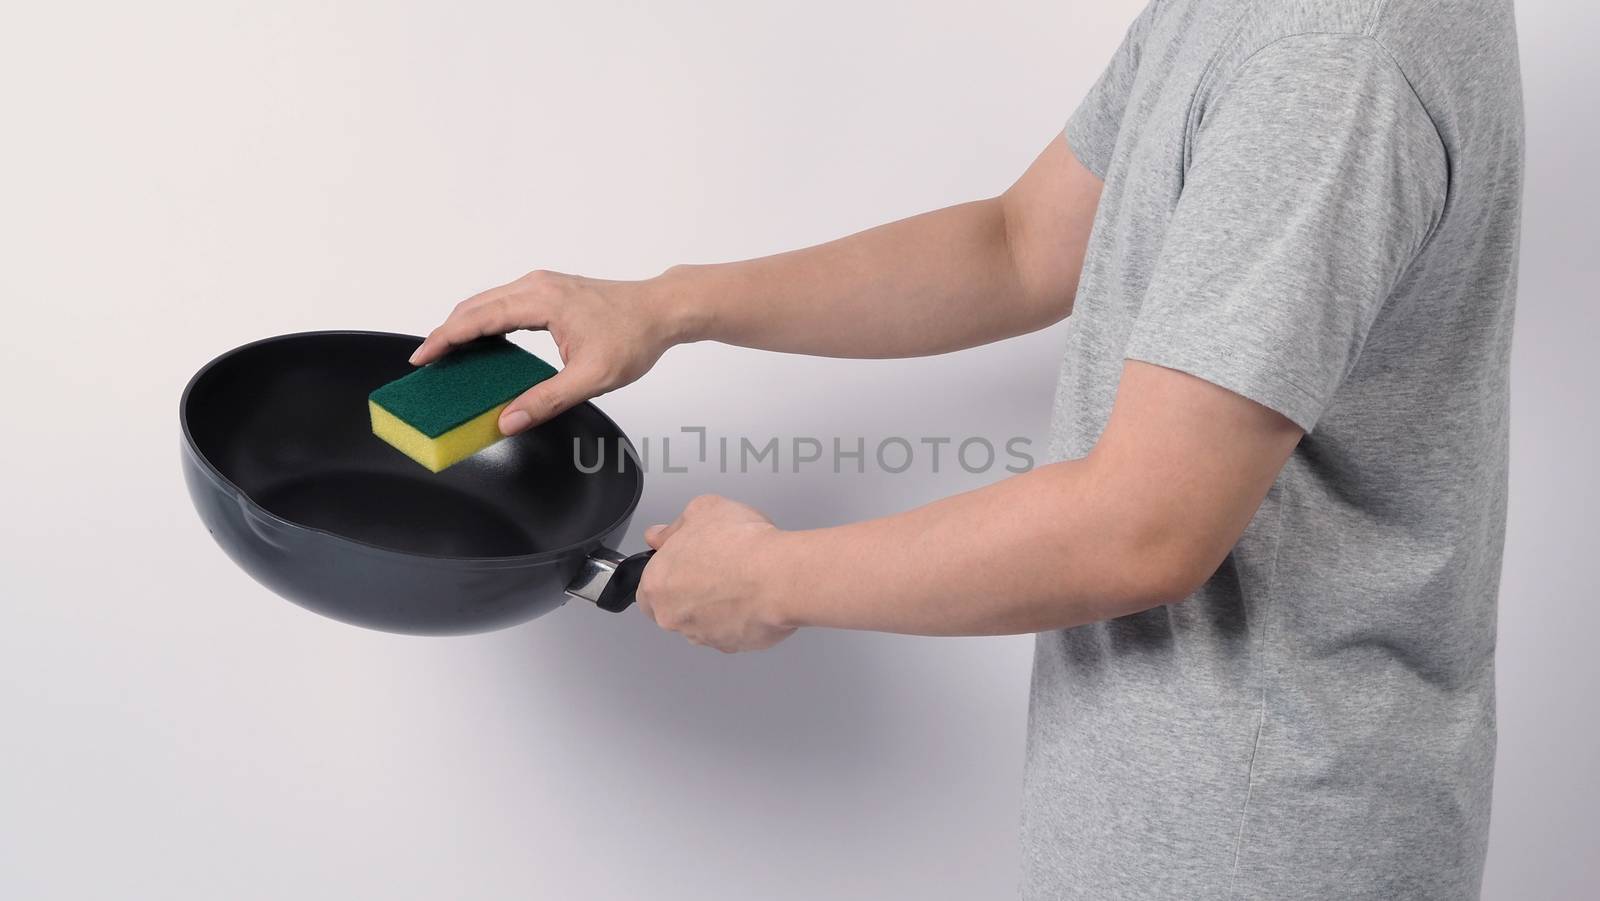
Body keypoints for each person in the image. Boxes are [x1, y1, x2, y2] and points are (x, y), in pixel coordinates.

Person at [410, 0, 1524, 896]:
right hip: (1180, 813)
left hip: (1265, 841)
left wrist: (771, 580)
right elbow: (1021, 243)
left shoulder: (1331, 56)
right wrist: (665, 305)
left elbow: (1144, 526)